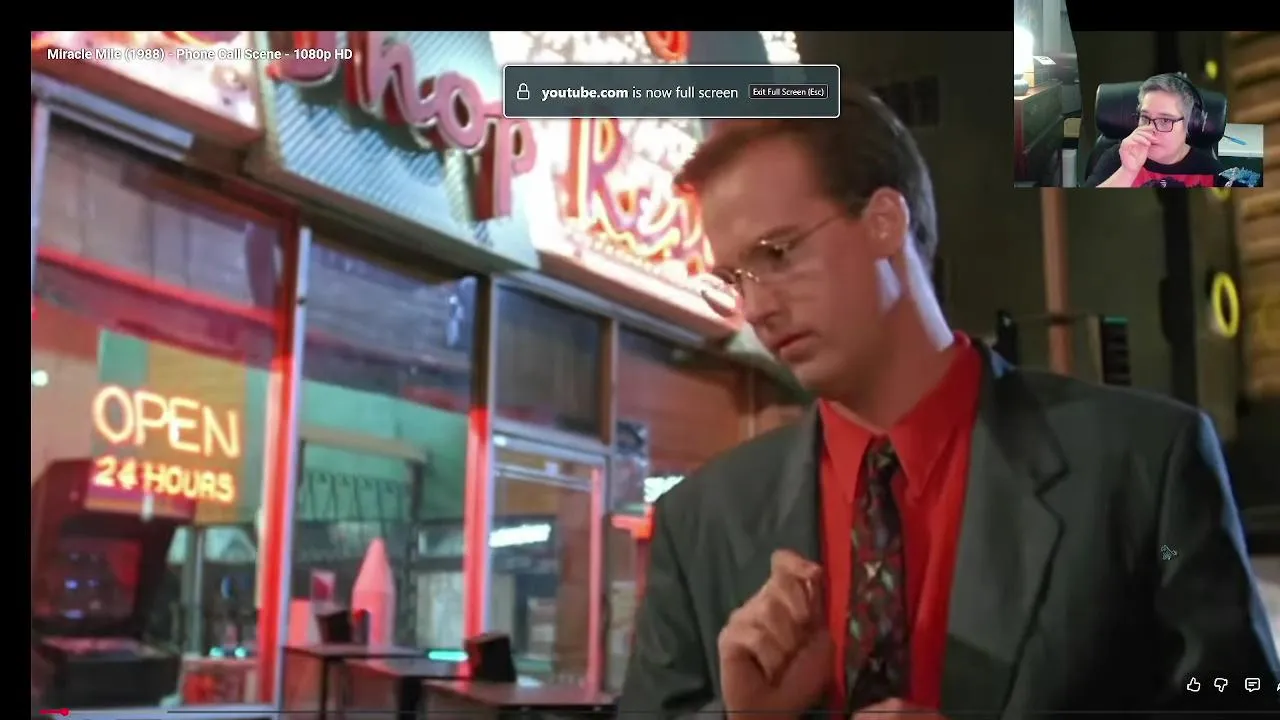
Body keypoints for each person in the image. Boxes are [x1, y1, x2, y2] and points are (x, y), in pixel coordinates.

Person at [618, 82, 1279, 718]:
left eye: (779, 253)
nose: (756, 306)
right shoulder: (701, 520)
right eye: (736, 278)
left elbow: (1239, 698)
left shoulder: (1142, 465)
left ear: (884, 221)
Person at [1085, 73, 1227, 188]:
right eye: (1145, 117)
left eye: (1165, 120)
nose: (1150, 129)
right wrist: (1127, 171)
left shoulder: (1212, 172)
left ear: (1189, 124)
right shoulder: (1118, 157)